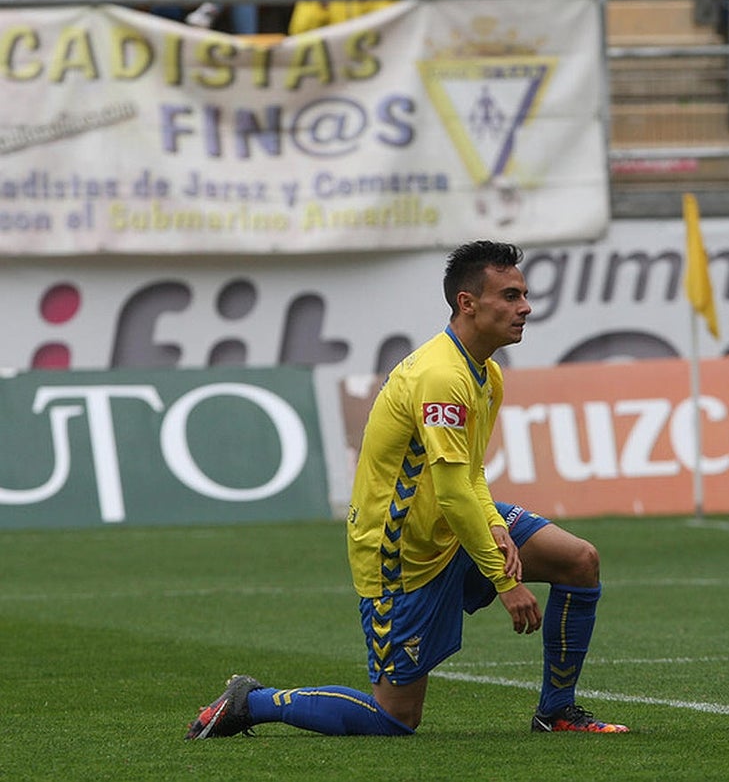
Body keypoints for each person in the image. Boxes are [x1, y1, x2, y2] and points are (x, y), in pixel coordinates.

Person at [185, 240, 629, 739]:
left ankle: (558, 712)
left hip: (451, 525)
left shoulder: (487, 374)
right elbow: (450, 492)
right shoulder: (440, 375)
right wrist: (506, 582)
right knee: (396, 717)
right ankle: (253, 701)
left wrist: (492, 524)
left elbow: (469, 476)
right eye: (509, 296)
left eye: (523, 295)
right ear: (467, 303)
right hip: (401, 551)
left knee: (578, 561)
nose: (524, 307)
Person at [287, 0, 398, 35]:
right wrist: (321, 9)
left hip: (374, 55)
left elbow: (394, 26)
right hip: (333, 64)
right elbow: (298, 31)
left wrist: (367, 4)